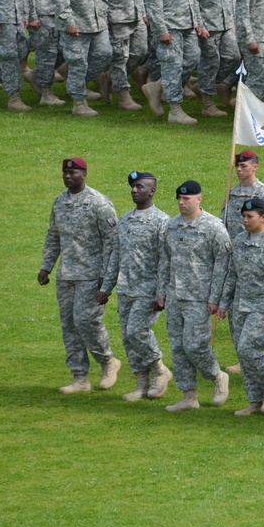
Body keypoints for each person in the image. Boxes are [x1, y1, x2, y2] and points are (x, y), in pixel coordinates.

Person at [38, 158, 120, 394]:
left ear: (84, 174)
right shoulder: (59, 202)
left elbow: (112, 242)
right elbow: (53, 236)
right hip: (67, 275)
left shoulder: (99, 203)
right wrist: (47, 266)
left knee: (86, 320)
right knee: (69, 325)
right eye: (65, 172)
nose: (67, 176)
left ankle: (108, 362)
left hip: (91, 275)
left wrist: (106, 276)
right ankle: (79, 377)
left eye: (73, 172)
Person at [98, 171, 173, 401]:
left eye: (140, 187)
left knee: (136, 331)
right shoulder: (125, 220)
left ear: (152, 191)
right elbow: (116, 256)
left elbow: (165, 261)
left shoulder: (162, 221)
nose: (134, 190)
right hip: (126, 288)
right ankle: (142, 383)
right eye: (132, 186)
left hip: (148, 290)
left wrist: (161, 293)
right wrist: (106, 287)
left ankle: (160, 370)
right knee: (127, 338)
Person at [158, 180, 232, 412]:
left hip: (200, 298)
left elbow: (223, 264)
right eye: (179, 199)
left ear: (198, 199)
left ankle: (217, 376)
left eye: (186, 198)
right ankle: (188, 395)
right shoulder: (171, 227)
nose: (182, 202)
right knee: (178, 347)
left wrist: (215, 298)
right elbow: (165, 262)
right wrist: (161, 291)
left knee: (195, 345)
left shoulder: (213, 228)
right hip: (175, 296)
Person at [219, 198, 264, 416]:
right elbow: (232, 275)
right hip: (241, 306)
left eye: (249, 217)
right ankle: (255, 400)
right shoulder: (239, 241)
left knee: (248, 349)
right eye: (243, 216)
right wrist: (224, 302)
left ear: (263, 217)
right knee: (243, 354)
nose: (245, 220)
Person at [144, 0, 204, 125]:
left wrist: (196, 22)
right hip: (170, 26)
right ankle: (175, 110)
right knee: (172, 65)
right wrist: (161, 29)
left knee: (193, 58)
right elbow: (153, 1)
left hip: (187, 24)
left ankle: (158, 87)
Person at [56, 0, 113, 117]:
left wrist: (104, 14)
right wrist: (68, 22)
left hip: (97, 23)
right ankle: (79, 103)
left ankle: (75, 81)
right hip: (77, 25)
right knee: (79, 63)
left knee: (105, 54)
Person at [221, 149, 264, 238]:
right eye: (237, 166)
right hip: (234, 248)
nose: (239, 169)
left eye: (243, 166)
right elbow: (224, 222)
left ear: (255, 167)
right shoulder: (231, 194)